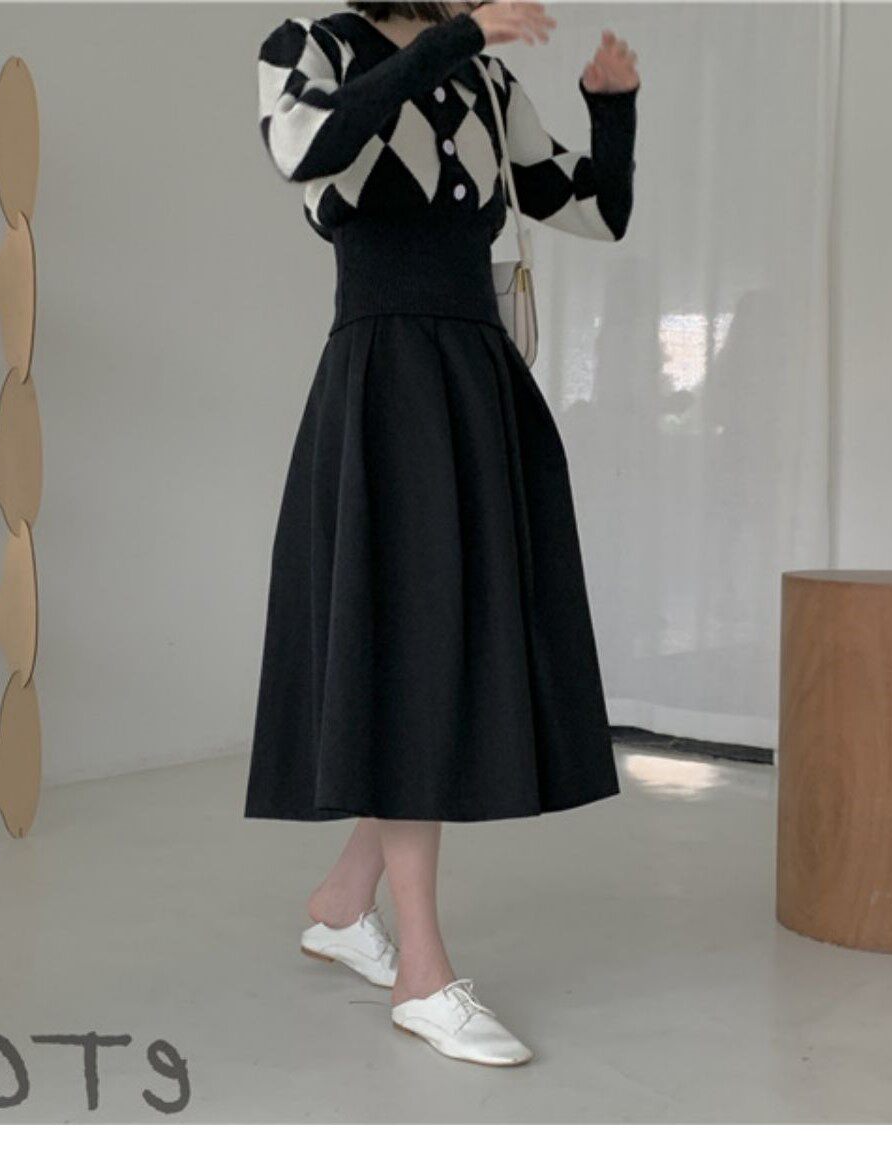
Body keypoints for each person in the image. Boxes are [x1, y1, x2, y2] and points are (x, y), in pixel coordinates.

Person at [246, 1, 640, 1066]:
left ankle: (345, 901)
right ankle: (420, 970)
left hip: (474, 382)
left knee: (442, 651)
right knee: (412, 653)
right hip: (385, 381)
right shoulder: (311, 45)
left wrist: (612, 111)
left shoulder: (487, 84)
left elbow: (598, 212)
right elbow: (307, 147)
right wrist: (453, 42)